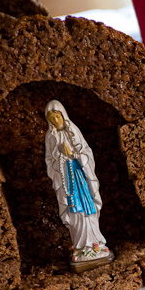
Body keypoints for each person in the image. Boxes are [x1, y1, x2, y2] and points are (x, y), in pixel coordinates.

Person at [44, 100, 114, 272]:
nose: (55, 120)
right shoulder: (50, 137)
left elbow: (86, 153)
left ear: (63, 116)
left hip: (81, 178)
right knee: (74, 212)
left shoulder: (73, 131)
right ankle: (80, 245)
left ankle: (95, 243)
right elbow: (49, 161)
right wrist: (60, 156)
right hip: (66, 181)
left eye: (57, 116)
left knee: (88, 208)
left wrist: (74, 154)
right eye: (52, 118)